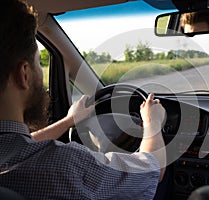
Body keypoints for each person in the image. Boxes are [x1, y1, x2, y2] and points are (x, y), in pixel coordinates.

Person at [0, 0, 166, 199]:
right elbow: (151, 170)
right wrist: (152, 123)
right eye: (38, 64)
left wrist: (69, 121)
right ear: (24, 74)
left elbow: (19, 147)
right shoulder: (64, 166)